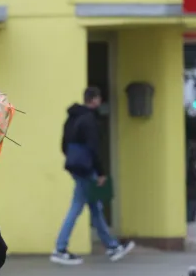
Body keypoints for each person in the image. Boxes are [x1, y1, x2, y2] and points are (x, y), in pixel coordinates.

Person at [51, 87, 134, 265]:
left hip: (76, 167)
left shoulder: (72, 118)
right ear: (95, 100)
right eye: (99, 99)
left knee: (95, 208)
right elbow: (93, 149)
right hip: (87, 170)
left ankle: (112, 247)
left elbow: (63, 145)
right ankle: (60, 248)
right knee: (76, 207)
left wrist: (74, 160)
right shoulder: (89, 120)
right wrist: (101, 172)